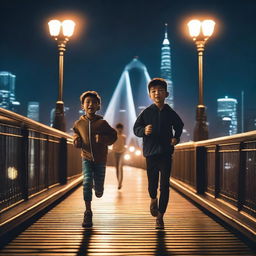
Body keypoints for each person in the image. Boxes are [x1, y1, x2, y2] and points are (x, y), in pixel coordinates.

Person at [133, 78, 184, 229]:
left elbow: (179, 126)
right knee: (152, 184)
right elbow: (136, 129)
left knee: (165, 186)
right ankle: (153, 198)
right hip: (150, 154)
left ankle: (160, 217)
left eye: (160, 91)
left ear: (166, 94)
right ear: (149, 94)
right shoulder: (146, 112)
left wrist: (176, 137)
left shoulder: (170, 112)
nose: (157, 93)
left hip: (166, 153)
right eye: (153, 91)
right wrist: (144, 131)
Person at [73, 91, 117, 228]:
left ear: (98, 106)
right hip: (86, 157)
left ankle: (98, 188)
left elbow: (113, 136)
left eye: (94, 102)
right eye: (87, 102)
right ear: (82, 106)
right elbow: (75, 135)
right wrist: (76, 141)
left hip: (100, 159)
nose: (90, 104)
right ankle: (88, 211)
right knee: (86, 182)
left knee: (98, 188)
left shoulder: (102, 123)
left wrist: (103, 139)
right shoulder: (78, 123)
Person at [112, 123, 126, 189]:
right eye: (118, 128)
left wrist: (124, 150)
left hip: (122, 153)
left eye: (121, 128)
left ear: (122, 129)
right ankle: (119, 182)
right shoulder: (114, 136)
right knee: (117, 168)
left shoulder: (124, 137)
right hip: (115, 153)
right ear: (117, 129)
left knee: (120, 167)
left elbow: (125, 145)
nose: (119, 129)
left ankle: (120, 183)